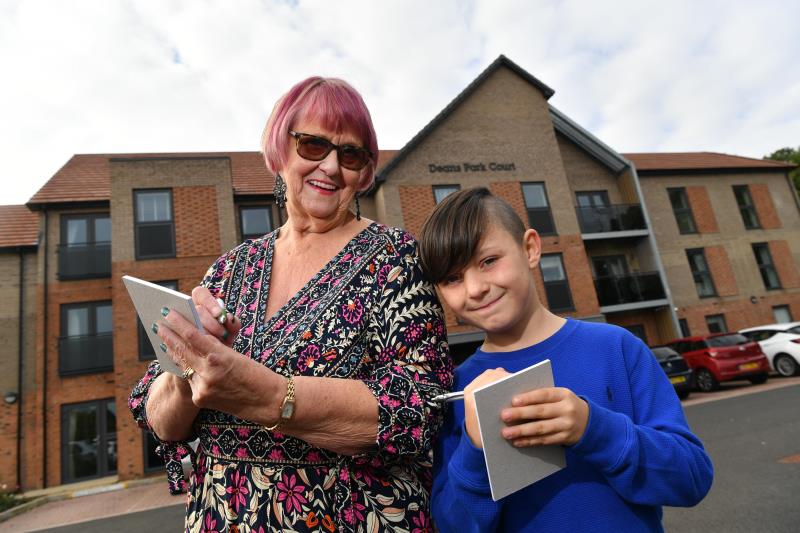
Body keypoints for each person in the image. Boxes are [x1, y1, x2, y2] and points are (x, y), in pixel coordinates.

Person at [128, 76, 453, 532]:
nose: (332, 167)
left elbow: (419, 405)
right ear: (280, 150)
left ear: (364, 172)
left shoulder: (394, 258)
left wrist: (269, 395)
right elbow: (160, 419)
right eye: (313, 145)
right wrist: (190, 369)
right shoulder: (229, 269)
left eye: (351, 154)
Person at [419, 187, 713, 533]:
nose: (474, 288)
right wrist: (475, 447)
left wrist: (592, 428)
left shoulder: (616, 348)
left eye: (488, 261)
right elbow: (454, 525)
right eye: (452, 278)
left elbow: (691, 478)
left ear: (530, 248)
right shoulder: (456, 391)